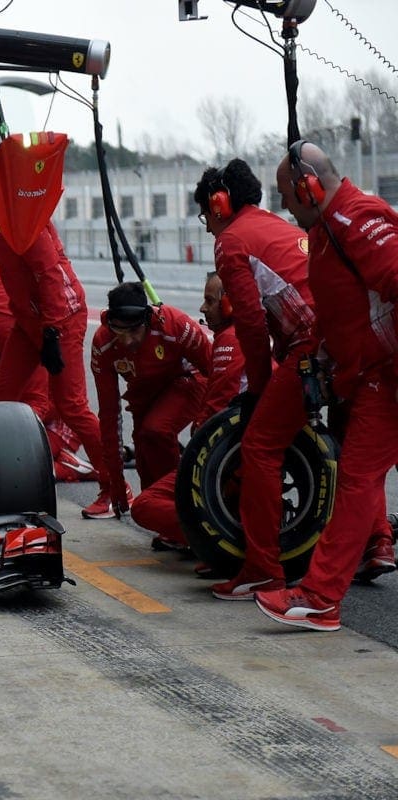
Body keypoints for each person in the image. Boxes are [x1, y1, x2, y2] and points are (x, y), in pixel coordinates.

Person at [255, 141, 398, 630]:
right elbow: (340, 307)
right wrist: (321, 355)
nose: (284, 208)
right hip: (376, 376)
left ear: (309, 188)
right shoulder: (325, 231)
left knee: (358, 480)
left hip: (389, 375)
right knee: (358, 479)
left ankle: (319, 596)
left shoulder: (357, 220)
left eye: (286, 196)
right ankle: (320, 598)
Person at [0, 147, 115, 517]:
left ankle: (115, 488)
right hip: (28, 320)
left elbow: (49, 275)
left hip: (60, 318)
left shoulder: (20, 215)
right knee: (1, 397)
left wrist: (52, 333)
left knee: (72, 406)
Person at [192, 158, 320, 601]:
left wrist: (259, 390)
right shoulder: (277, 226)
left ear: (219, 204)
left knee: (261, 445)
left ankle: (264, 570)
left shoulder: (231, 241)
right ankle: (375, 544)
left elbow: (249, 322)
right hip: (349, 337)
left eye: (205, 215)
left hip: (314, 343)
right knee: (353, 444)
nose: (207, 226)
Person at [0, 243, 93, 482]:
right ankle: (21, 461)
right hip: (19, 325)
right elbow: (56, 287)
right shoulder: (30, 251)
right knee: (45, 402)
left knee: (6, 398)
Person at [129, 272, 246, 550]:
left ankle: (217, 542)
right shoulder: (245, 335)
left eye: (210, 301)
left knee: (143, 506)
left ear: (230, 303)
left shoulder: (230, 341)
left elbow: (216, 407)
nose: (203, 308)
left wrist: (194, 454)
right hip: (236, 455)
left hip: (225, 459)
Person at [90, 282, 212, 507]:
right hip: (144, 392)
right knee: (144, 455)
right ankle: (159, 507)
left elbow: (215, 371)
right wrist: (116, 484)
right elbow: (109, 415)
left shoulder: (175, 324)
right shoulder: (103, 343)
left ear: (147, 320)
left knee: (156, 430)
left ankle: (181, 501)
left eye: (134, 331)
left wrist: (207, 422)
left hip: (188, 380)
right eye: (119, 331)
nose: (127, 340)